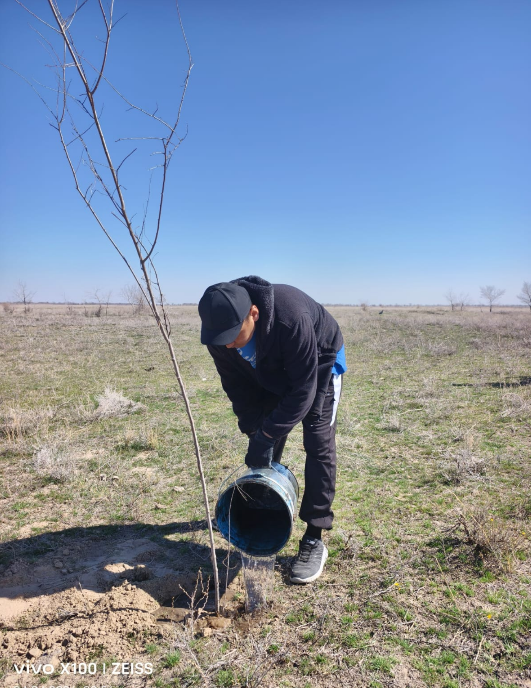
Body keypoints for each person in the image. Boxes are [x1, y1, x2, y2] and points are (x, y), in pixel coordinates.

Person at [198, 276, 346, 584]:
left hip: (319, 360)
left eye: (233, 335)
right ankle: (263, 504)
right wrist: (257, 433)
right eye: (220, 338)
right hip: (269, 369)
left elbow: (303, 392)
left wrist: (267, 435)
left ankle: (314, 536)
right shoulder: (221, 338)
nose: (227, 344)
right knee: (263, 435)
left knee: (317, 440)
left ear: (253, 314)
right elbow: (237, 389)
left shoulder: (290, 319)